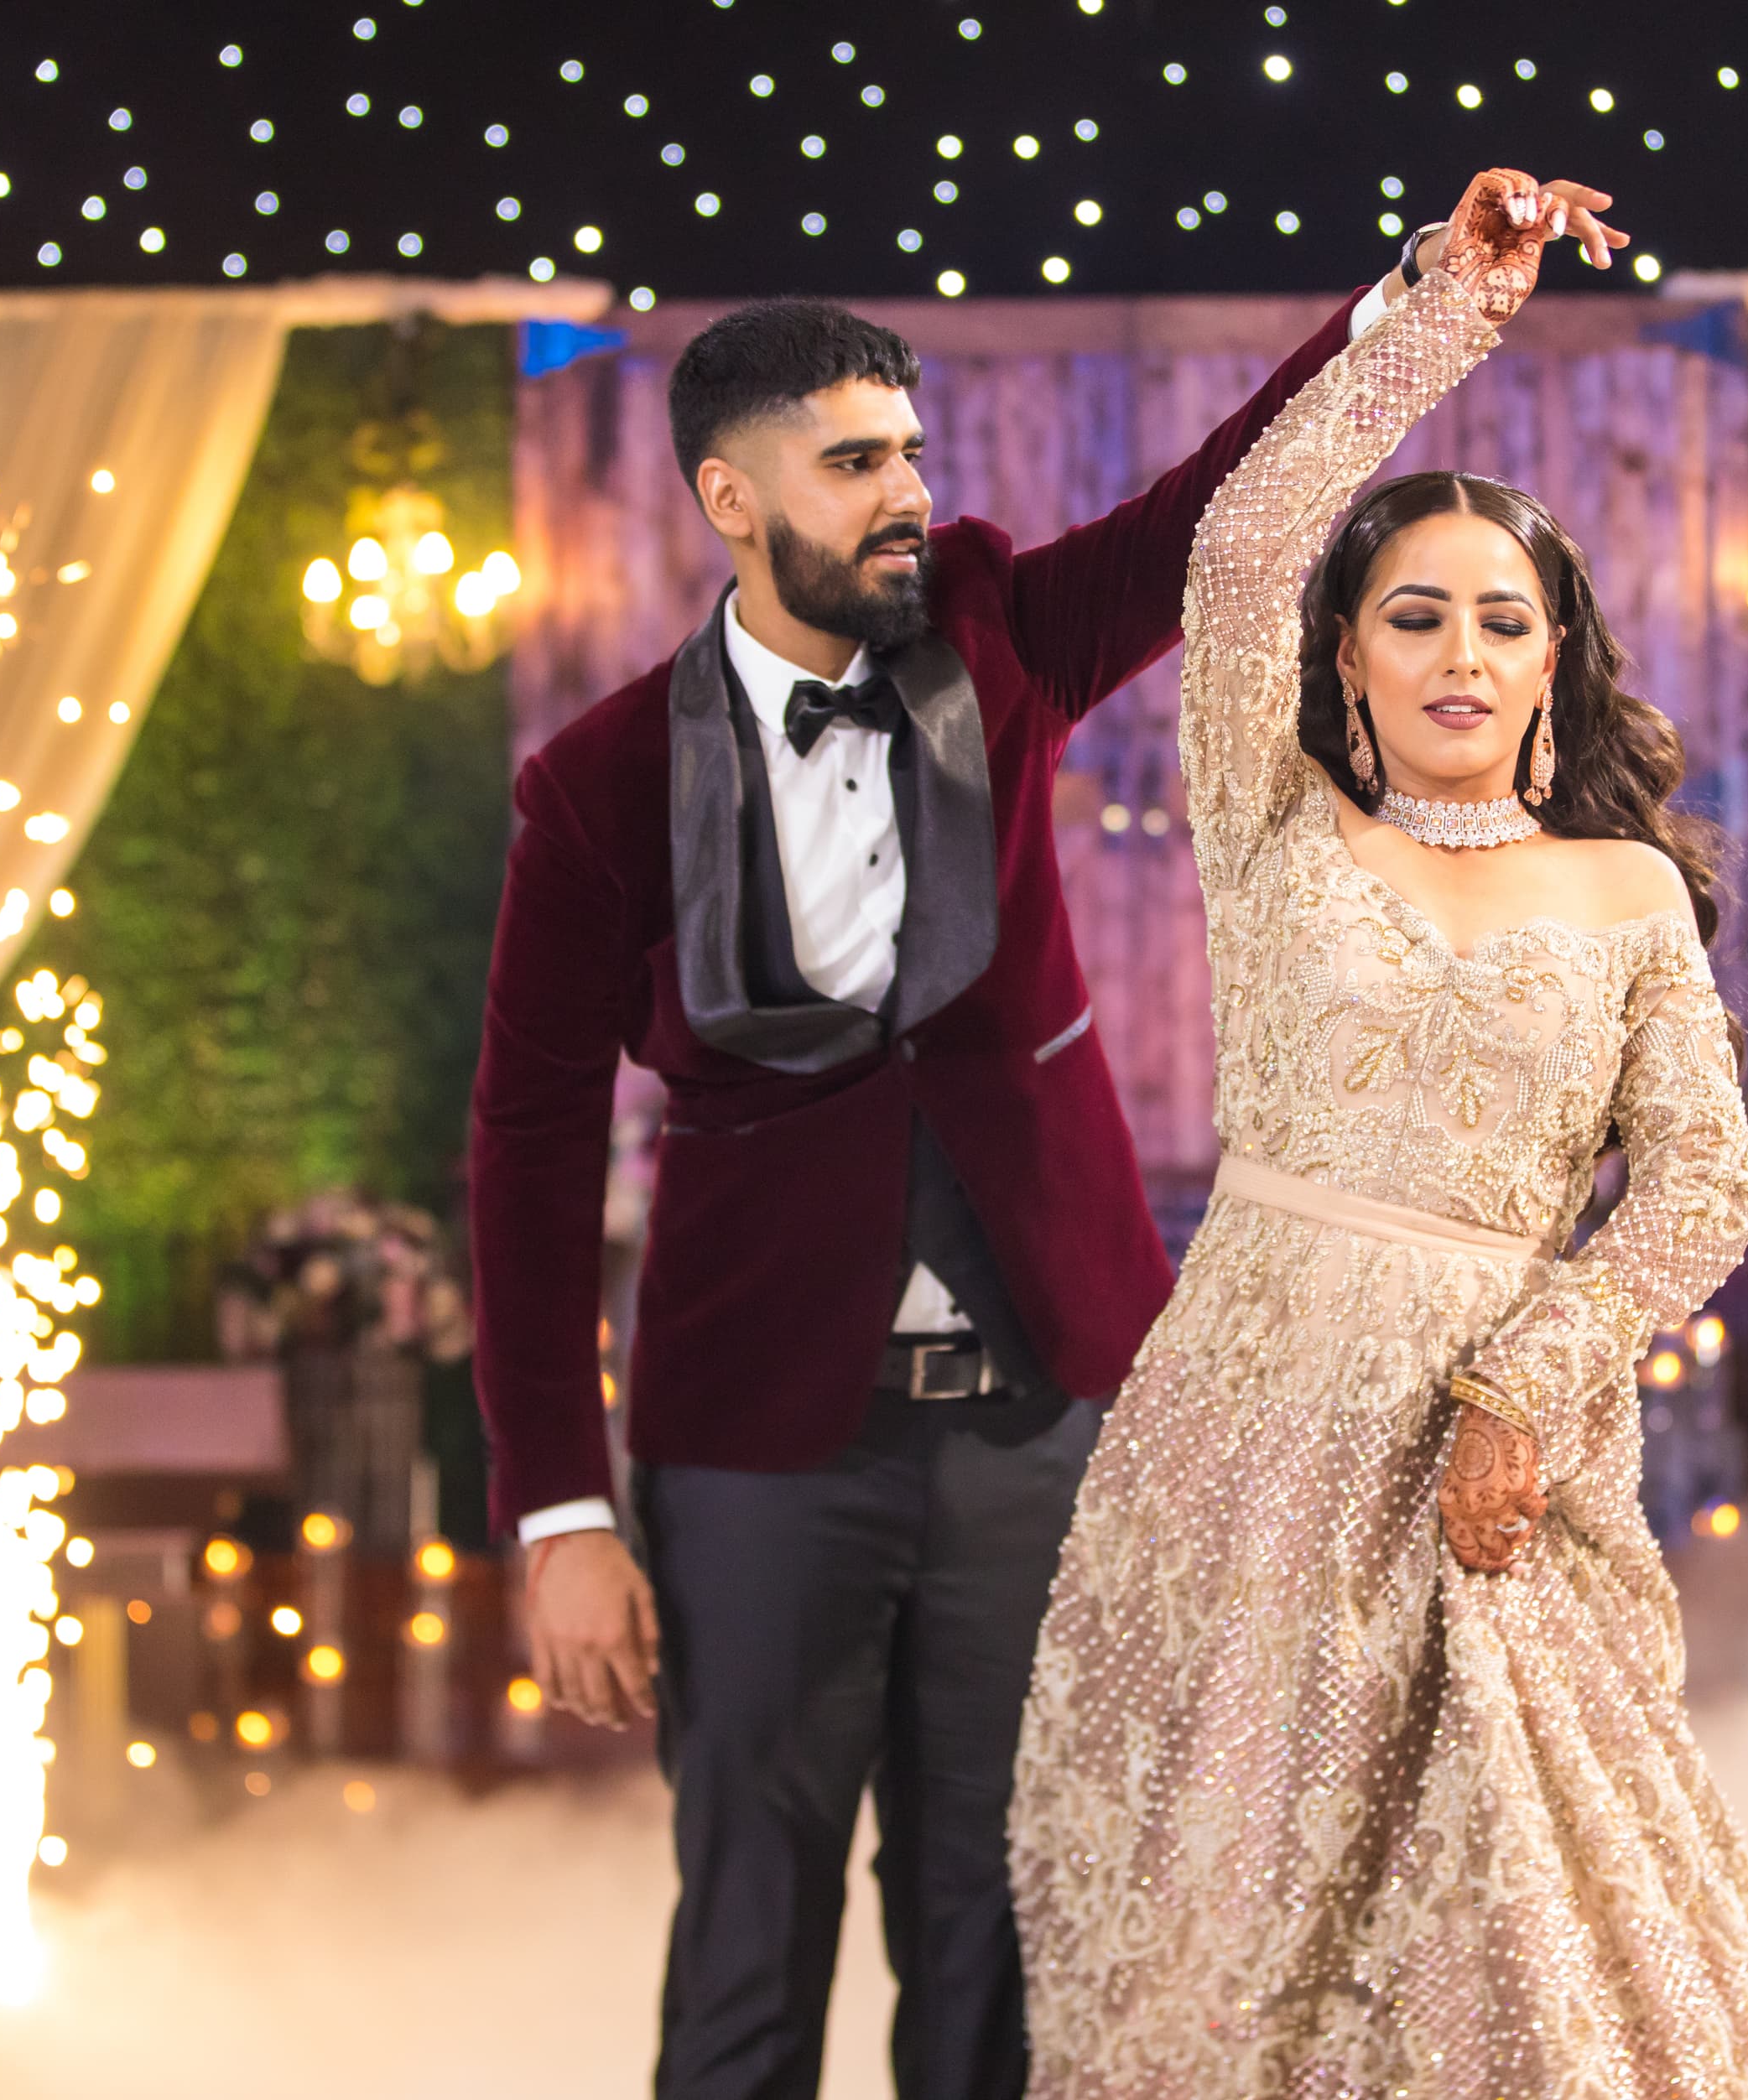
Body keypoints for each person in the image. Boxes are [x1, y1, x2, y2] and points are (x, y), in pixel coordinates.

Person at [466, 247, 1425, 2097]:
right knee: (747, 1942)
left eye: (908, 449)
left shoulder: (995, 633)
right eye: (853, 463)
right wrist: (560, 1509)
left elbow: (1222, 507)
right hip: (756, 1444)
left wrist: (1418, 302)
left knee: (1004, 1941)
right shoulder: (595, 784)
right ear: (731, 498)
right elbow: (527, 1150)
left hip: (1039, 1423)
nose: (905, 490)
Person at [1007, 171, 1748, 2095]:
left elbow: (1701, 1185)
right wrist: (1442, 310)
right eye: (1414, 615)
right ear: (1350, 658)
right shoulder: (1278, 825)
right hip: (1250, 1434)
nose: (1460, 649)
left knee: (1515, 1928)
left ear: (1553, 661)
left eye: (1502, 617)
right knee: (1228, 1940)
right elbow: (1240, 549)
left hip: (1490, 1453)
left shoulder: (1624, 894)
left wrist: (1525, 1377)